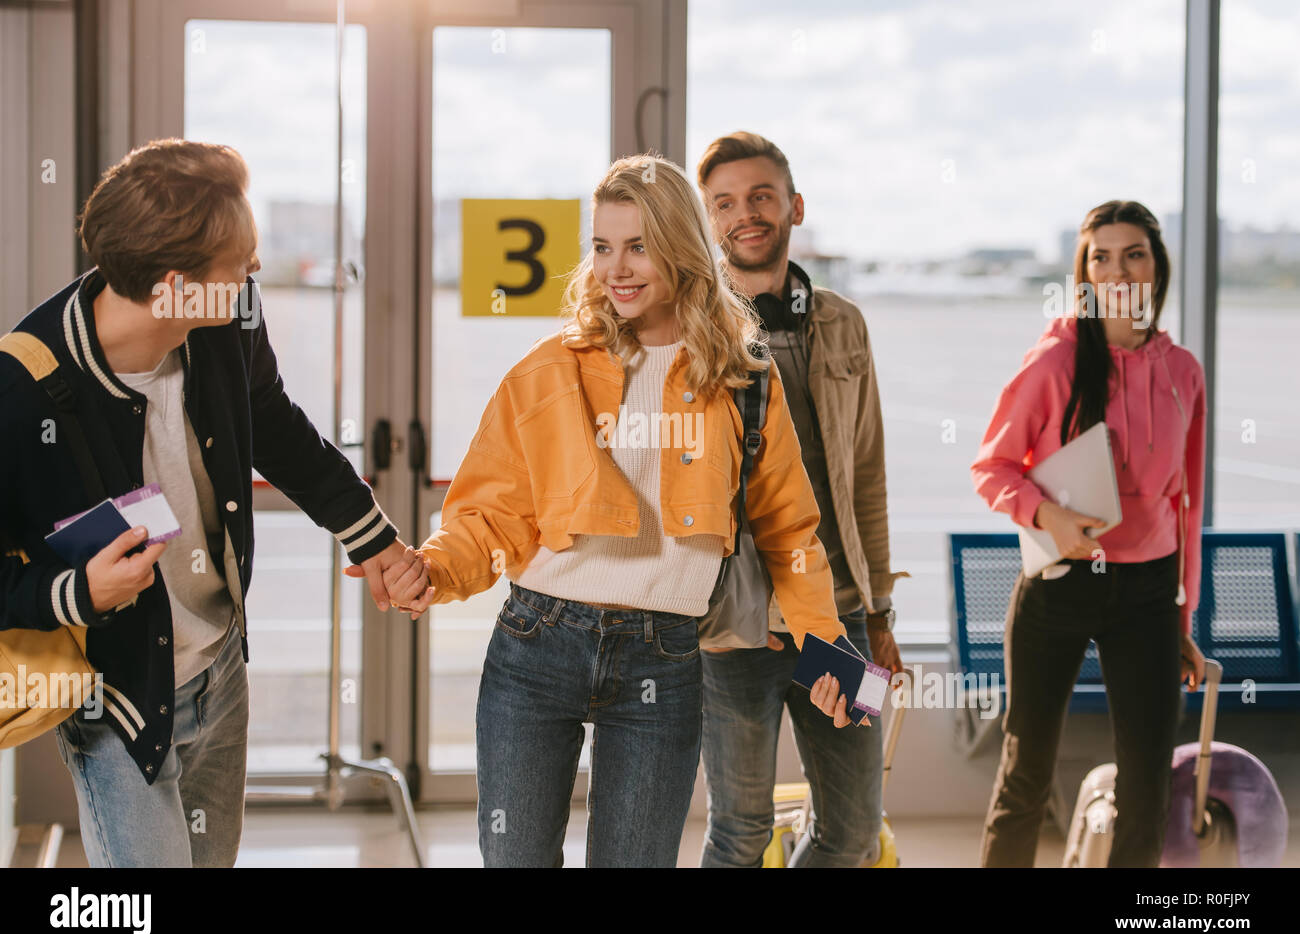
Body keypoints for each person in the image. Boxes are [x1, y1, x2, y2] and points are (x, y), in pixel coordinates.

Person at [0, 139, 430, 867]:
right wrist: (79, 592)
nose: (255, 272)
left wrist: (374, 539)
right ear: (176, 286)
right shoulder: (23, 388)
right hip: (120, 697)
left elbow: (275, 425)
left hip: (221, 667)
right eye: (242, 261)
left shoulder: (226, 320)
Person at [413, 153, 851, 867]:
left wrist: (825, 641)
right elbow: (488, 515)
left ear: (680, 246)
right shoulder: (547, 369)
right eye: (603, 246)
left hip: (667, 652)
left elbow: (790, 529)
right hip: (537, 642)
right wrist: (435, 570)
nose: (616, 268)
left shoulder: (743, 380)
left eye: (639, 246)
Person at [971, 199, 1208, 868]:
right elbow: (991, 467)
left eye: (1133, 252)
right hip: (1060, 581)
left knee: (1148, 780)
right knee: (1027, 771)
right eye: (1100, 256)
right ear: (1085, 271)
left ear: (1157, 266)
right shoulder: (1054, 362)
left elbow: (1188, 502)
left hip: (1149, 591)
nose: (1117, 268)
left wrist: (1182, 616)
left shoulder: (1183, 370)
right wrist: (1048, 515)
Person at [694, 131, 907, 867]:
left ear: (794, 206)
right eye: (725, 202)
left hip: (840, 611)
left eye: (761, 196)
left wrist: (879, 616)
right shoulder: (692, 330)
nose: (745, 214)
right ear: (707, 219)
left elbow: (869, 474)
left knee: (853, 832)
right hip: (734, 621)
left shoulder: (845, 323)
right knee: (739, 832)